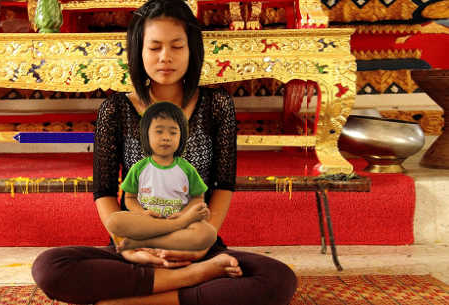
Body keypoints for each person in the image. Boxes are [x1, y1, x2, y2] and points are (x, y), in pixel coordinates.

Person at [32, 0, 298, 304]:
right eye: (154, 47)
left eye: (176, 46)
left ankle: (140, 298)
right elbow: (104, 191)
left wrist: (200, 248)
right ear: (138, 51)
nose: (165, 57)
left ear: (192, 50)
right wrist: (126, 245)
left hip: (197, 245)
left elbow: (223, 184)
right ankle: (192, 281)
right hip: (136, 248)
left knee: (278, 280)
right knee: (50, 268)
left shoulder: (216, 105)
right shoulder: (115, 109)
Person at [107, 101, 217, 252]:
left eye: (173, 132)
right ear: (146, 134)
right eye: (159, 131)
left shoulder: (187, 169)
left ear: (182, 137)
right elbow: (130, 198)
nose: (166, 137)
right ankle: (168, 236)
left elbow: (198, 197)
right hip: (148, 224)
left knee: (208, 234)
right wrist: (142, 213)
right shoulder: (139, 168)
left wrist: (185, 215)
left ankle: (141, 243)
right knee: (114, 221)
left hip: (181, 219)